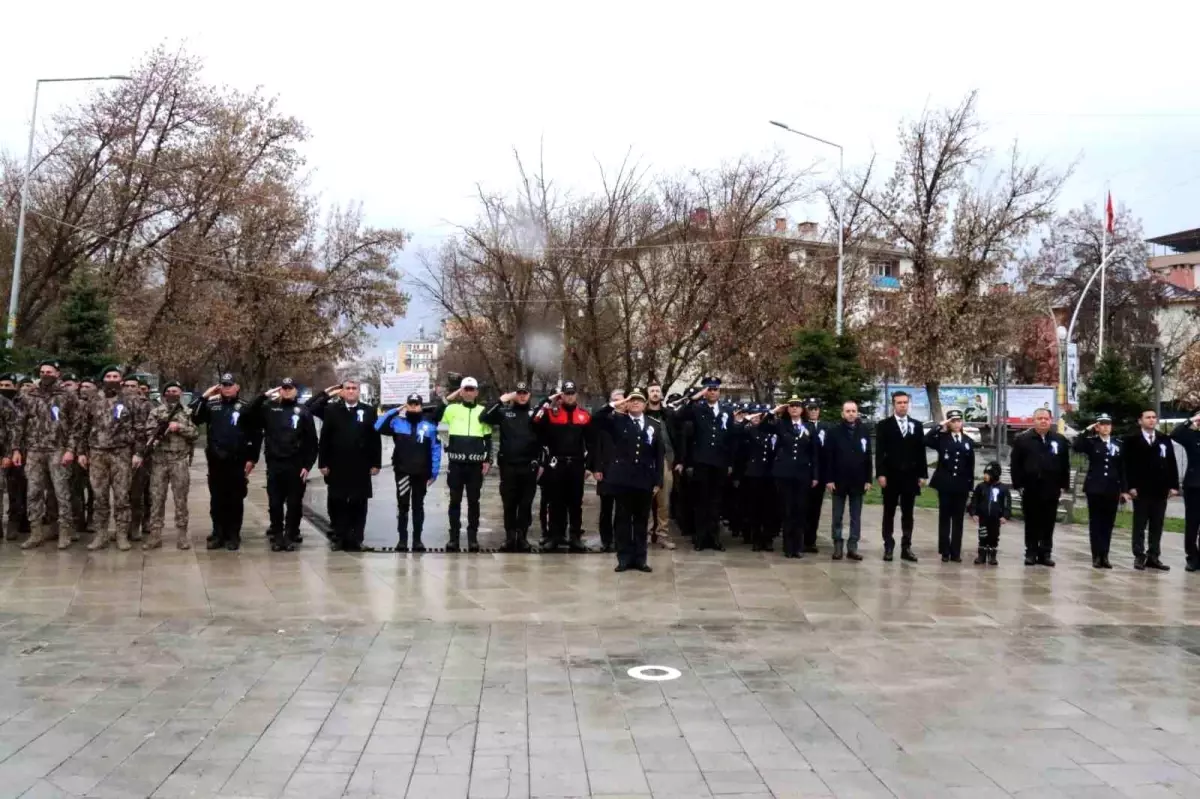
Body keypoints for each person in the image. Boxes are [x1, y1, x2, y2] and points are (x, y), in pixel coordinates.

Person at [592, 389, 664, 572]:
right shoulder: (617, 421)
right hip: (622, 480)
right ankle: (623, 558)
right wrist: (617, 403)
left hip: (644, 480)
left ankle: (640, 558)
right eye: (632, 401)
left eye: (639, 401)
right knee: (623, 520)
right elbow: (597, 419)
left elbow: (658, 454)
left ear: (645, 404)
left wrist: (658, 480)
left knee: (641, 521)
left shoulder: (653, 424)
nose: (635, 403)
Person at [14, 360, 81, 550]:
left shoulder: (67, 396)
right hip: (34, 450)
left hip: (57, 449)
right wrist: (16, 449)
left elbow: (76, 425)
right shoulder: (29, 395)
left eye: (49, 372)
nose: (45, 375)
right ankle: (36, 532)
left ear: (58, 374)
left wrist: (70, 449)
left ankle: (64, 532)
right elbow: (20, 424)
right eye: (42, 372)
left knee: (61, 492)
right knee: (33, 492)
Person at [78, 366, 146, 551]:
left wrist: (138, 453)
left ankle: (122, 534)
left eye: (115, 376)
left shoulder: (132, 401)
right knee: (99, 497)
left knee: (122, 497)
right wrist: (81, 452)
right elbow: (82, 428)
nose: (112, 379)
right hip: (97, 454)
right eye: (108, 376)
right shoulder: (92, 401)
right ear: (103, 379)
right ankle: (101, 534)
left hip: (121, 454)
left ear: (121, 380)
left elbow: (140, 429)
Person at [246, 378, 318, 552]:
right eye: (283, 388)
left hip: (295, 465)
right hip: (275, 463)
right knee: (275, 503)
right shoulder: (269, 408)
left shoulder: (303, 411)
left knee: (294, 504)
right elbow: (248, 414)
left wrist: (307, 466)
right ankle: (277, 536)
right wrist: (263, 396)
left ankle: (290, 535)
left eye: (290, 388)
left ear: (295, 390)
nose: (286, 391)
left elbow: (312, 442)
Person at [309, 381, 381, 552]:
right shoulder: (332, 410)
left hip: (361, 465)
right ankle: (339, 538)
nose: (350, 391)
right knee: (337, 502)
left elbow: (374, 439)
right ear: (342, 392)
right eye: (347, 388)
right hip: (337, 464)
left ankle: (356, 539)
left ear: (358, 391)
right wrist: (323, 463)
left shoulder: (369, 410)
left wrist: (376, 463)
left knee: (359, 502)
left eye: (353, 388)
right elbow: (323, 435)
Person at [191, 373, 257, 551]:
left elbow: (255, 434)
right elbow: (194, 417)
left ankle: (233, 534)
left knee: (235, 499)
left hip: (237, 460)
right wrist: (204, 396)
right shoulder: (211, 405)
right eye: (224, 384)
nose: (227, 387)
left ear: (237, 387)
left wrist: (252, 458)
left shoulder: (245, 407)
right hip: (216, 460)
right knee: (217, 499)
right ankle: (218, 533)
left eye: (230, 385)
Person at [674, 377, 735, 551]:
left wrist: (729, 462)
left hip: (720, 462)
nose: (712, 392)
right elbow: (678, 416)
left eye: (715, 389)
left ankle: (714, 538)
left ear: (719, 391)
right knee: (701, 501)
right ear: (704, 391)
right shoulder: (697, 408)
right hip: (701, 461)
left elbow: (730, 438)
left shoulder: (726, 410)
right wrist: (693, 399)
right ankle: (700, 538)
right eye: (709, 389)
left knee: (716, 502)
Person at [432, 377, 492, 552]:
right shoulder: (451, 409)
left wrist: (487, 460)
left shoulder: (483, 411)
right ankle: (454, 538)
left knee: (474, 502)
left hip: (475, 465)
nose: (468, 392)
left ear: (476, 392)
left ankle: (472, 538)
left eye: (472, 389)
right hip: (456, 464)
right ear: (461, 391)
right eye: (465, 389)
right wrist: (447, 446)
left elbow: (488, 438)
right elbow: (438, 422)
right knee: (455, 501)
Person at [480, 382, 541, 552]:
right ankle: (509, 537)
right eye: (519, 393)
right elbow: (484, 417)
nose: (522, 396)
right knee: (509, 504)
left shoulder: (535, 414)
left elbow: (545, 435)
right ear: (514, 395)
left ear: (529, 394)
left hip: (529, 466)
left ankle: (522, 537)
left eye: (525, 393)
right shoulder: (505, 413)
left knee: (526, 504)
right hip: (509, 467)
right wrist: (500, 401)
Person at [377, 393, 441, 552]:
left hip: (422, 473)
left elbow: (436, 449)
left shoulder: (429, 425)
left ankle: (417, 540)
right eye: (410, 404)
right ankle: (402, 540)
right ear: (406, 406)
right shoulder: (397, 422)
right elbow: (378, 426)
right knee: (403, 506)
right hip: (403, 472)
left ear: (421, 406)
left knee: (418, 506)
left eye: (416, 404)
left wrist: (434, 472)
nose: (413, 407)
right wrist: (395, 410)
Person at [534, 380, 591, 552]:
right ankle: (554, 537)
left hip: (576, 464)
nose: (569, 396)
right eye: (566, 393)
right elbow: (535, 420)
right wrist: (548, 399)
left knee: (575, 503)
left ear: (576, 395)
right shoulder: (551, 414)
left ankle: (575, 537)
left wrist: (589, 465)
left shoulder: (584, 415)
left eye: (572, 393)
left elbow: (592, 442)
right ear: (561, 395)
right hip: (556, 464)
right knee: (555, 502)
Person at [1009, 408, 1071, 566]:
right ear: (1033, 420)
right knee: (1031, 521)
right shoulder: (1023, 440)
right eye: (1040, 418)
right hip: (1031, 487)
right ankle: (1031, 552)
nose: (1043, 421)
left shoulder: (1059, 440)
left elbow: (1065, 464)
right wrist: (1018, 484)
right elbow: (1015, 464)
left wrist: (1064, 484)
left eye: (1046, 418)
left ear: (1051, 420)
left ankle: (1045, 553)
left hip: (1051, 487)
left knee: (1048, 521)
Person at [144, 382, 199, 550]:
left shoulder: (188, 412)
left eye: (174, 391)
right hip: (160, 461)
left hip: (179, 460)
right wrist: (158, 433)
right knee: (157, 498)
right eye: (168, 391)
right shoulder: (156, 412)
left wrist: (179, 427)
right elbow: (149, 432)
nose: (171, 393)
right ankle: (155, 535)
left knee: (180, 499)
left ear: (180, 393)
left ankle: (182, 535)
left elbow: (195, 433)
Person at [762, 397, 819, 558]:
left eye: (797, 406)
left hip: (802, 474)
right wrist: (774, 411)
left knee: (800, 510)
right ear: (788, 409)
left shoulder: (809, 427)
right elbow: (764, 426)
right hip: (784, 473)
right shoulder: (781, 425)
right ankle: (788, 547)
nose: (794, 409)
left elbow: (814, 453)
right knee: (787, 510)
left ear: (802, 410)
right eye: (791, 406)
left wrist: (815, 475)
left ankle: (798, 547)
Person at [874, 390, 928, 562]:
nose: (903, 405)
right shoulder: (884, 425)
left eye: (905, 402)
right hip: (891, 476)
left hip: (910, 477)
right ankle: (888, 546)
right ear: (893, 405)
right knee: (888, 512)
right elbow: (880, 452)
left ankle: (906, 547)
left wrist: (922, 474)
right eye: (899, 402)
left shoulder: (917, 425)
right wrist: (881, 473)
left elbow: (921, 452)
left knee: (908, 513)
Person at [1123, 408, 1178, 571]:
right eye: (1148, 417)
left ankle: (1154, 556)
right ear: (1140, 421)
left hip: (1160, 489)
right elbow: (1127, 465)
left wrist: (1174, 486)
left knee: (1157, 524)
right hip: (1140, 490)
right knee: (1140, 524)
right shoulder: (1132, 440)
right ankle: (1139, 556)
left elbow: (1172, 463)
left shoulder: (1163, 439)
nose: (1152, 420)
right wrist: (1130, 486)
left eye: (1154, 417)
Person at [1074, 413, 1126, 569]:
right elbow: (1076, 446)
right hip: (1095, 488)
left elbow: (1122, 468)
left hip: (1112, 488)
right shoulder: (1091, 442)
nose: (1105, 427)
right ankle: (1096, 555)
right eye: (1102, 424)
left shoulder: (1118, 443)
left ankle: (1105, 555)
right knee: (1096, 523)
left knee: (1108, 523)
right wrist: (1087, 430)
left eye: (1108, 424)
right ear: (1097, 427)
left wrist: (1124, 490)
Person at [822, 400, 871, 561]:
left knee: (855, 516)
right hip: (838, 480)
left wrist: (868, 479)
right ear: (842, 413)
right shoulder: (834, 431)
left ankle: (853, 546)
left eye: (853, 411)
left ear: (857, 413)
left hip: (858, 480)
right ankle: (837, 545)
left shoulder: (863, 431)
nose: (851, 414)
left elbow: (868, 456)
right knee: (837, 515)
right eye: (848, 411)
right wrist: (829, 479)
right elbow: (828, 457)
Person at [924, 410, 975, 563]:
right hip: (945, 484)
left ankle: (956, 552)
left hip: (961, 485)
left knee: (958, 519)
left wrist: (970, 485)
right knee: (945, 518)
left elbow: (970, 465)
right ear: (949, 423)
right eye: (953, 421)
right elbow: (925, 440)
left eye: (959, 420)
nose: (956, 424)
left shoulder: (967, 440)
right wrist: (940, 426)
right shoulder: (942, 438)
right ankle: (945, 551)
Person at [733, 405, 777, 552]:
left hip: (770, 474)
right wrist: (746, 419)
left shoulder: (771, 431)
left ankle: (768, 538)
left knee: (770, 509)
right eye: (754, 416)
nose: (757, 418)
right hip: (753, 474)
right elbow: (737, 434)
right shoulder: (748, 431)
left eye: (760, 416)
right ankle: (756, 538)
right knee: (755, 508)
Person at [643, 384, 677, 551]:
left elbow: (677, 436)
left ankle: (662, 534)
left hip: (665, 460)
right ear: (647, 395)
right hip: (645, 461)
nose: (655, 394)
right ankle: (647, 534)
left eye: (657, 391)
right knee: (646, 499)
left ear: (662, 395)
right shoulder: (641, 414)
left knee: (664, 500)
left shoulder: (668, 415)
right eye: (652, 391)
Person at [592, 389, 625, 552]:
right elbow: (598, 445)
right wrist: (596, 468)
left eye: (621, 400)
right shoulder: (605, 419)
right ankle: (606, 540)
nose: (619, 403)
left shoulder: (629, 419)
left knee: (622, 509)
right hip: (606, 469)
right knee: (606, 508)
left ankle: (620, 539)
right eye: (615, 400)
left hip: (624, 471)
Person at [123, 375, 152, 542]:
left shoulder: (146, 405)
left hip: (141, 455)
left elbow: (148, 432)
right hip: (119, 453)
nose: (130, 389)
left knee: (137, 494)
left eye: (133, 386)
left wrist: (140, 453)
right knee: (121, 494)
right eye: (127, 385)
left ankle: (136, 526)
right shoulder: (117, 403)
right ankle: (122, 526)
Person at [1170, 412, 1200, 572]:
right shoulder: (1192, 437)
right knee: (1192, 524)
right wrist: (1193, 419)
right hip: (1194, 486)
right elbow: (1175, 434)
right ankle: (1192, 558)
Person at [0, 374, 28, 541]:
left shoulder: (4, 403)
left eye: (7, 385)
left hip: (8, 454)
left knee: (14, 490)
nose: (4, 388)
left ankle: (14, 522)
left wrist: (9, 453)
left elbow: (13, 428)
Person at [967, 461, 1011, 566]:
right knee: (982, 535)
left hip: (996, 518)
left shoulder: (1003, 489)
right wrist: (973, 513)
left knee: (994, 536)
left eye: (989, 474)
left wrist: (1005, 515)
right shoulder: (981, 487)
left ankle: (992, 555)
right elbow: (974, 501)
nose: (986, 476)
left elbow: (1007, 504)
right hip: (983, 517)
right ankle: (981, 555)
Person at [802, 398, 828, 554]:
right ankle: (801, 539)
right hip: (805, 472)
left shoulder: (826, 427)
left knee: (815, 509)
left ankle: (811, 540)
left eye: (815, 409)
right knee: (802, 507)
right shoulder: (801, 426)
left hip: (821, 474)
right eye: (810, 409)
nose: (813, 411)